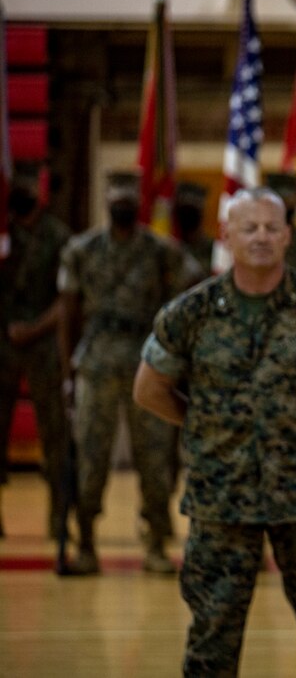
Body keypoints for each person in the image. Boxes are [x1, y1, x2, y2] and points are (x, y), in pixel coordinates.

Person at [133, 187, 296, 676]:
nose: (260, 237)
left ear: (286, 236)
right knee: (212, 635)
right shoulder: (191, 311)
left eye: (271, 228)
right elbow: (149, 388)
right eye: (248, 227)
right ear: (226, 235)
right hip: (221, 496)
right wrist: (204, 423)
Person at [57, 171, 188, 575]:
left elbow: (185, 297)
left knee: (154, 460)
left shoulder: (160, 250)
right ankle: (86, 543)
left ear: (139, 203)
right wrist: (67, 372)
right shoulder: (80, 249)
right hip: (95, 364)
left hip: (147, 366)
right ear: (106, 201)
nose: (123, 204)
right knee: (91, 458)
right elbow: (68, 311)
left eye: (129, 198)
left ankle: (154, 543)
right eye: (116, 197)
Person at [0, 165, 73, 540]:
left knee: (55, 436)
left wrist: (33, 328)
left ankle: (59, 520)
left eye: (30, 183)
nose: (24, 190)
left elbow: (66, 299)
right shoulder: (2, 232)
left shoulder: (58, 237)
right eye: (19, 183)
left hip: (43, 343)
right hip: (3, 342)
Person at [173, 180, 214, 279]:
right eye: (184, 211)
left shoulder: (214, 249)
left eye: (192, 212)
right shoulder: (168, 248)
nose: (187, 218)